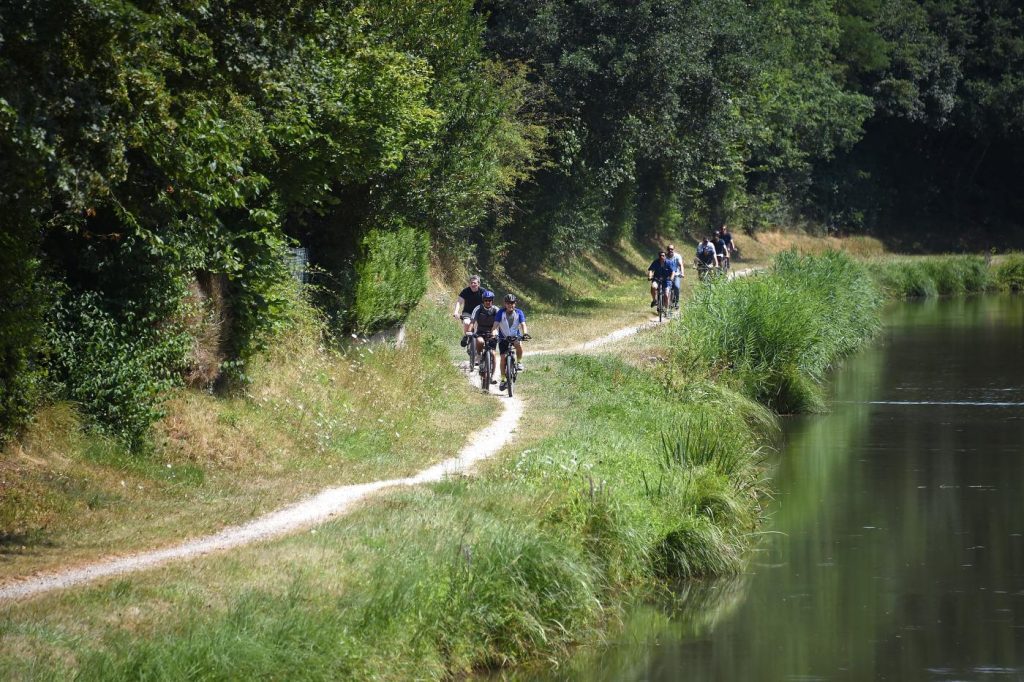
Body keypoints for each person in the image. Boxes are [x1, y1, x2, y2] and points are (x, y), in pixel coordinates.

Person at [495, 293, 528, 392]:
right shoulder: (500, 312)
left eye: (512, 303)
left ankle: (519, 362)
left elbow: (523, 324)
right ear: (505, 304)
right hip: (503, 338)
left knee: (518, 344)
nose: (510, 305)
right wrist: (493, 333)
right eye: (508, 303)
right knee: (503, 359)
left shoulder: (519, 312)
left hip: (514, 337)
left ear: (515, 304)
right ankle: (503, 379)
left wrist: (525, 333)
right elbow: (495, 325)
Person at [470, 290, 499, 383]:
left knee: (493, 354)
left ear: (492, 301)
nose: (488, 302)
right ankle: (478, 355)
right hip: (481, 332)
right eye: (486, 300)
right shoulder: (478, 308)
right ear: (483, 300)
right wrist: (469, 331)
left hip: (492, 333)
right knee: (480, 342)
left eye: (490, 300)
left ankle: (493, 376)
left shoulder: (496, 310)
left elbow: (501, 323)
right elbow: (472, 322)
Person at [454, 275, 484, 344]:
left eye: (475, 283)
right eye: (471, 283)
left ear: (478, 284)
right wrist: (456, 312)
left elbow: (488, 302)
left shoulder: (483, 292)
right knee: (466, 322)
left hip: (479, 313)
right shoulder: (465, 291)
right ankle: (466, 336)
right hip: (467, 313)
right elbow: (459, 302)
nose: (473, 284)